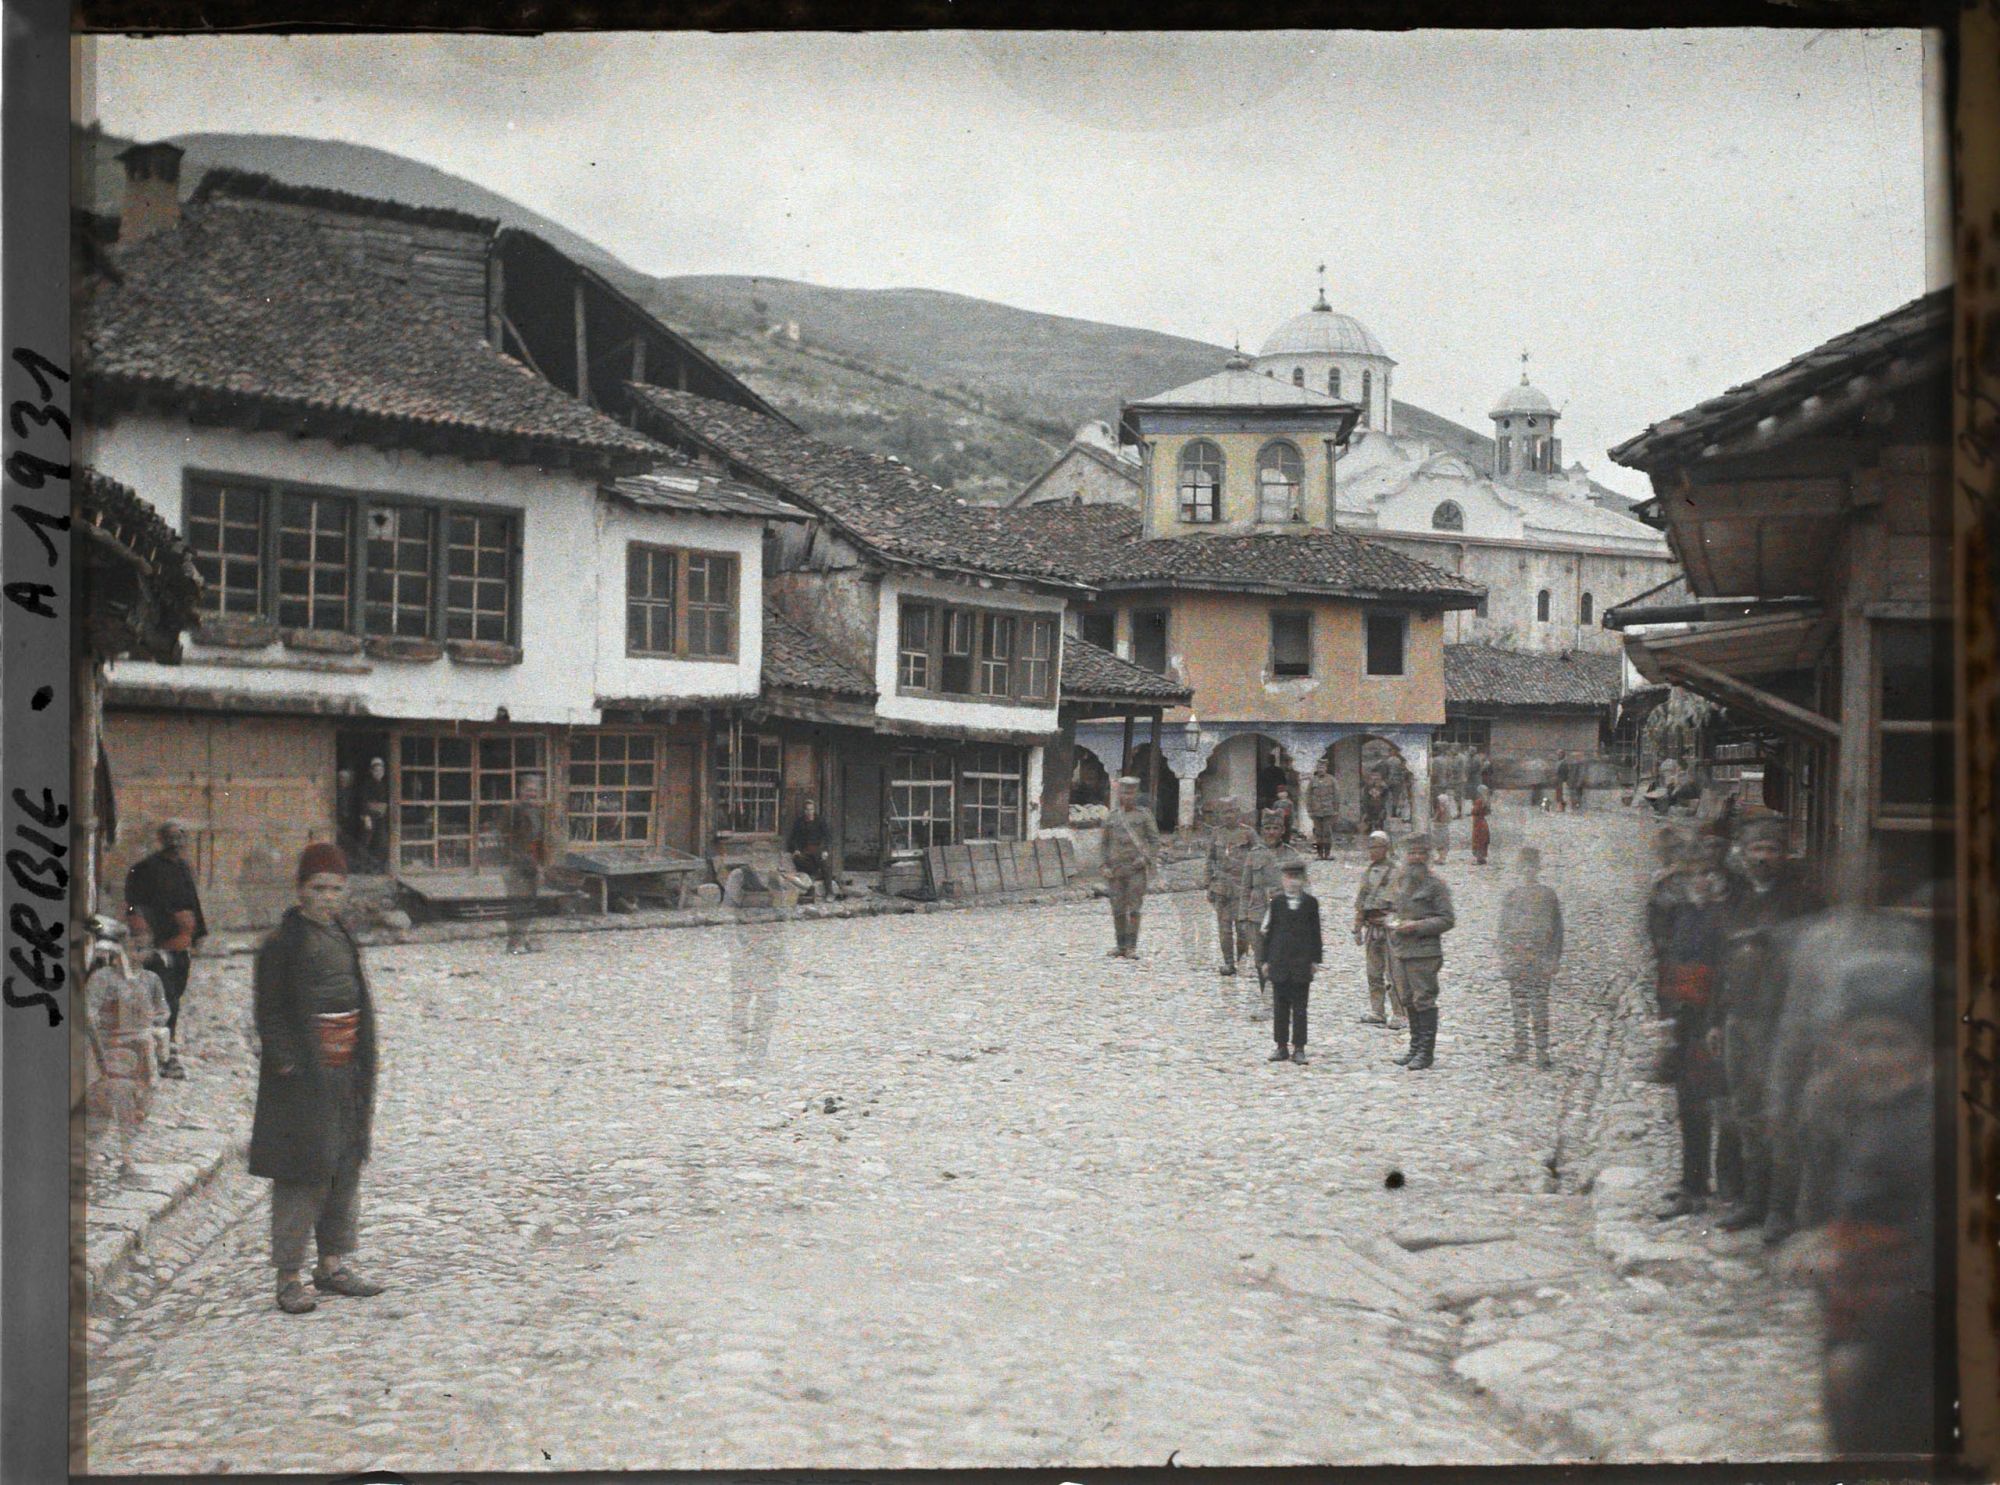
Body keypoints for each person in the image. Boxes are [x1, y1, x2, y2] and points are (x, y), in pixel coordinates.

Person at [1776, 951, 1935, 1456]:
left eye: (1894, 1043)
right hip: (1856, 1326)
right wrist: (1821, 1240)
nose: (1877, 1058)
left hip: (1905, 1350)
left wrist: (1869, 1353)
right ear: (1839, 1045)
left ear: (1924, 1051)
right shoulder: (1855, 1111)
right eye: (1863, 1041)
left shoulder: (1929, 1132)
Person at [250, 843, 385, 1315]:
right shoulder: (282, 944)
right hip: (303, 1076)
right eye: (318, 889)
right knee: (301, 1171)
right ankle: (289, 1276)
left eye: (335, 889)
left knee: (344, 1164)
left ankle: (331, 1265)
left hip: (346, 1070)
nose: (327, 898)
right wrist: (288, 1062)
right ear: (300, 891)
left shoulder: (341, 934)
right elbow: (269, 1011)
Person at [1713, 813, 1823, 1233]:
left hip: (1782, 1023)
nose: (1762, 858)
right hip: (1738, 1019)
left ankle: (1780, 1209)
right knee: (1744, 1112)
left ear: (1784, 855)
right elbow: (1721, 963)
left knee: (1781, 1112)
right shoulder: (1736, 900)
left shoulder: (1804, 902)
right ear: (1742, 855)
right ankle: (1753, 1202)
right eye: (1756, 850)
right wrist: (1715, 1019)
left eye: (1771, 850)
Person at [1655, 822, 1749, 1219]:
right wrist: (1667, 1015)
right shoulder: (1685, 915)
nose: (1701, 882)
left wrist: (1716, 1018)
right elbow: (1670, 964)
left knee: (1725, 1106)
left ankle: (1731, 1187)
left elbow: (1733, 975)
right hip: (1686, 1019)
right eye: (1694, 875)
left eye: (1709, 875)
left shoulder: (1730, 918)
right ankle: (1694, 1185)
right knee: (1690, 1105)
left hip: (1719, 1021)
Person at [83, 910, 171, 1177]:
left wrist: (153, 1025)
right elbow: (88, 1012)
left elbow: (163, 1011)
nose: (138, 953)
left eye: (144, 948)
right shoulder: (103, 979)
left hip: (143, 1051)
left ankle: (126, 1153)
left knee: (142, 1101)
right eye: (133, 946)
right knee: (109, 1102)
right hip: (112, 1048)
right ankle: (99, 1157)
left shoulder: (151, 980)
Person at [124, 820, 208, 1080]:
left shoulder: (183, 867)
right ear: (161, 839)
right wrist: (150, 935)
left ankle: (161, 1051)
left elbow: (191, 901)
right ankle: (165, 1057)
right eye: (170, 837)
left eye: (180, 836)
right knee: (166, 999)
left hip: (181, 946)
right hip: (160, 946)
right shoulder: (146, 869)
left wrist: (198, 933)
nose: (176, 842)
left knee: (176, 996)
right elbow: (134, 905)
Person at [1386, 833, 1455, 1071]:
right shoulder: (1400, 881)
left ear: (1428, 856)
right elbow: (1393, 908)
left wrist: (1417, 926)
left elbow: (1447, 919)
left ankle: (1426, 1052)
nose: (1415, 858)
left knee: (1423, 999)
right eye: (1411, 853)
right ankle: (1414, 1047)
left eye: (1420, 853)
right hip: (1401, 950)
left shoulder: (1436, 885)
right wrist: (1392, 921)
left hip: (1425, 953)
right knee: (1407, 999)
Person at [1497, 847, 1564, 1068]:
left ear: (1538, 868)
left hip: (1540, 957)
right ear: (1519, 869)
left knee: (1540, 1005)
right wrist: (1505, 956)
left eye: (1532, 866)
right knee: (1518, 1003)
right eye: (1524, 866)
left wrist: (1553, 958)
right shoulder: (1512, 895)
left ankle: (1542, 1052)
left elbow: (1557, 930)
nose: (1528, 870)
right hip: (1517, 956)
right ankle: (1520, 1048)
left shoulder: (1548, 895)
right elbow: (1503, 929)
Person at [1239, 808, 1308, 994]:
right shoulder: (1254, 855)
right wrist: (1242, 917)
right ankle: (1266, 996)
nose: (1271, 832)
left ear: (1282, 831)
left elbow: (1304, 888)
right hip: (1257, 914)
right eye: (1267, 828)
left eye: (1275, 828)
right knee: (1260, 959)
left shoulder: (1292, 856)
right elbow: (1245, 887)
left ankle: (1277, 998)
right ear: (1262, 830)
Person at [1259, 862, 1322, 1064]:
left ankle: (1299, 1047)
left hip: (1302, 962)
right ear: (1283, 880)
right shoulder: (1276, 904)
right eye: (1288, 877)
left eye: (1296, 877)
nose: (1292, 881)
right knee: (1280, 1006)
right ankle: (1281, 1046)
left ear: (1303, 880)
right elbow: (1267, 933)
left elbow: (1316, 933)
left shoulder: (1311, 903)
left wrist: (1315, 960)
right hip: (1279, 962)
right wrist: (1265, 960)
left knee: (1300, 1007)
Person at [1100, 776, 1163, 959]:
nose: (1127, 796)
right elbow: (1104, 844)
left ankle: (1131, 947)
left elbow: (1154, 841)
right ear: (1119, 794)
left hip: (1135, 870)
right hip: (1116, 870)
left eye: (1131, 793)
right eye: (1124, 793)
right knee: (1118, 909)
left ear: (1136, 794)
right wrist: (1103, 865)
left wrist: (1146, 859)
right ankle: (1120, 946)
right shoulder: (1112, 817)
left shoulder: (1144, 815)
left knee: (1134, 908)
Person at [1351, 830, 1403, 1029]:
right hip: (1372, 927)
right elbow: (1362, 901)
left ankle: (1399, 1012)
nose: (1373, 851)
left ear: (1387, 848)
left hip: (1390, 928)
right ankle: (1377, 1010)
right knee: (1373, 972)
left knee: (1394, 973)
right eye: (1370, 847)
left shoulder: (1397, 872)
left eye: (1377, 847)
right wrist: (1357, 927)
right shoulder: (1368, 872)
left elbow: (1402, 901)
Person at [1204, 797, 1258, 976]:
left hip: (1242, 888)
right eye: (1225, 812)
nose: (1229, 816)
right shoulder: (1217, 833)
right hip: (1221, 888)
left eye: (1232, 812)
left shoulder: (1248, 833)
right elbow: (1210, 859)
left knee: (1242, 929)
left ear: (1239, 813)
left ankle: (1241, 961)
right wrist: (1208, 884)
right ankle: (1228, 963)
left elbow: (1260, 858)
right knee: (1224, 929)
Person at [503, 774, 548, 954]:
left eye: (536, 790)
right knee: (518, 903)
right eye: (529, 790)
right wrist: (521, 857)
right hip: (516, 863)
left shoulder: (538, 811)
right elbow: (505, 838)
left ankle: (526, 939)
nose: (532, 793)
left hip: (533, 863)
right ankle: (514, 943)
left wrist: (541, 865)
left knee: (530, 902)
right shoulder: (512, 810)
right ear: (520, 790)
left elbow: (540, 840)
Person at [785, 797, 838, 900]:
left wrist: (825, 850)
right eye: (807, 810)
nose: (809, 812)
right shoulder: (799, 822)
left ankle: (829, 892)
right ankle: (814, 875)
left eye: (811, 809)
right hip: (805, 850)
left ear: (814, 810)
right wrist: (796, 849)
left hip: (818, 849)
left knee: (825, 864)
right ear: (804, 811)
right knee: (797, 859)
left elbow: (827, 837)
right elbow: (793, 838)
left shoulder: (820, 821)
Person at [360, 755, 391, 865]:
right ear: (372, 771)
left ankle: (378, 866)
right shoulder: (367, 784)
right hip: (370, 817)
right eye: (376, 770)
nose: (379, 772)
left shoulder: (386, 784)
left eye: (381, 770)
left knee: (382, 841)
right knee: (366, 841)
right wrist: (366, 817)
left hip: (381, 817)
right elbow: (363, 801)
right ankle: (362, 866)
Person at [1305, 762, 1339, 861]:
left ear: (1326, 768)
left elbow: (1336, 795)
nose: (1321, 769)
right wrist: (1309, 810)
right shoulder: (1312, 781)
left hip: (1328, 810)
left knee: (1327, 832)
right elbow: (1308, 796)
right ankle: (1319, 854)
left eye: (1323, 767)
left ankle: (1327, 854)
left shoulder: (1332, 780)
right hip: (1316, 811)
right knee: (1318, 833)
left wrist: (1336, 809)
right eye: (1319, 767)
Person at [1469, 785, 1492, 865]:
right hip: (1483, 822)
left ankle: (1479, 859)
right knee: (1483, 840)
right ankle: (1482, 857)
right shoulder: (1486, 801)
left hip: (1478, 823)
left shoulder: (1479, 801)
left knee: (1478, 839)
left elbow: (1474, 811)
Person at [1430, 792, 1452, 863]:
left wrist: (1433, 819)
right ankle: (1442, 858)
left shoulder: (1441, 809)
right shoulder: (1447, 809)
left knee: (1439, 843)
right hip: (1444, 827)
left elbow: (1436, 817)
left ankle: (1441, 858)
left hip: (1439, 827)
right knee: (1444, 844)